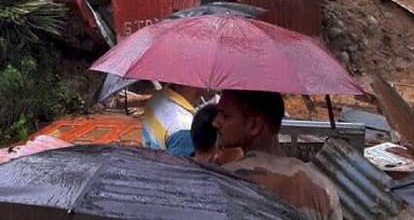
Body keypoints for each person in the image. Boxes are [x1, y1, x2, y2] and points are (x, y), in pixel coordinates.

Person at [215, 90, 342, 220]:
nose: (216, 123)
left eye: (225, 116)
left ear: (254, 125)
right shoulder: (322, 188)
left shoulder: (223, 180)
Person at [142, 83, 206, 157]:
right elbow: (181, 167)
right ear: (179, 84)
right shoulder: (184, 129)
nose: (202, 90)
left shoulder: (157, 97)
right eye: (197, 83)